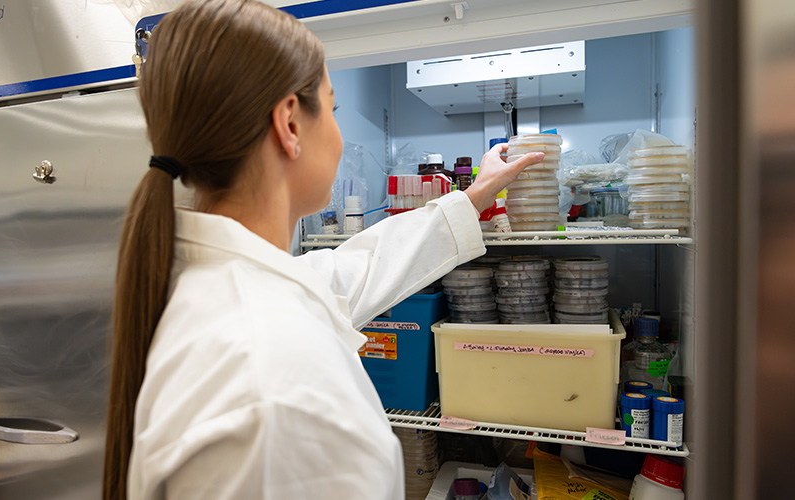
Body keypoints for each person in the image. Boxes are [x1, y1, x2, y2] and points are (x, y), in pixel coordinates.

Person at [102, 0, 545, 499]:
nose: (338, 135)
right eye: (332, 109)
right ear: (290, 124)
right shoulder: (268, 378)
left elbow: (356, 267)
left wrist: (473, 196)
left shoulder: (233, 287)